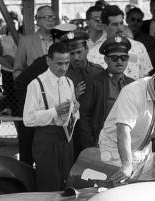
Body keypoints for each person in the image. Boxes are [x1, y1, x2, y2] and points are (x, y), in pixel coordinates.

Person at [23, 43, 79, 192]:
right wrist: (55, 111)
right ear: (48, 61)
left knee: (67, 182)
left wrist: (75, 109)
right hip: (46, 139)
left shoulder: (69, 82)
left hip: (67, 139)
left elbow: (74, 114)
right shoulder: (36, 85)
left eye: (67, 63)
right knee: (48, 184)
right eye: (59, 63)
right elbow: (28, 119)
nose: (64, 68)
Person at [80, 35, 134, 154]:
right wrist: (90, 145)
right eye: (114, 58)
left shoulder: (132, 84)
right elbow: (84, 116)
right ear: (106, 60)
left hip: (127, 144)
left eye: (124, 57)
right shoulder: (94, 82)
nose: (119, 61)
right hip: (100, 144)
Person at [60, 30, 104, 159]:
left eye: (79, 52)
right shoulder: (63, 75)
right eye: (71, 53)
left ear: (86, 49)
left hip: (95, 127)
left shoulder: (98, 72)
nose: (76, 57)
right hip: (73, 131)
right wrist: (73, 96)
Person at [87, 5, 152, 80]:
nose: (120, 28)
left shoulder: (139, 48)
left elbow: (145, 80)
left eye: (121, 23)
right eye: (114, 24)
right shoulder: (93, 54)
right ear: (105, 26)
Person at [13, 5, 56, 79]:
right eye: (45, 17)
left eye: (52, 17)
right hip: (35, 88)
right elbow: (17, 71)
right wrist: (27, 85)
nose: (50, 20)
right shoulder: (26, 41)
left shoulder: (60, 40)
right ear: (37, 20)